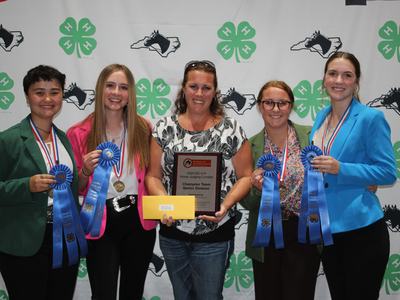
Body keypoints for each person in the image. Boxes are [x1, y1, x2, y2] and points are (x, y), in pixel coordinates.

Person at [145, 60, 253, 300]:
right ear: (183, 88)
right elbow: (153, 176)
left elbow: (246, 176)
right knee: (182, 297)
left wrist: (225, 206)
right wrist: (165, 204)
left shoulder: (231, 129)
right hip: (173, 232)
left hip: (215, 231)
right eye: (194, 86)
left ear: (215, 91)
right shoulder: (164, 128)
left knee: (208, 297)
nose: (199, 93)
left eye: (206, 87)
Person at [310, 51, 397, 299]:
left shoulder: (371, 118)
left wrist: (342, 168)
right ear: (324, 79)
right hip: (329, 230)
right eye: (333, 74)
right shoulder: (321, 117)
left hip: (362, 229)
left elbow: (388, 172)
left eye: (347, 75)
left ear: (356, 81)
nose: (339, 80)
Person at [67, 64, 157, 300]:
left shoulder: (143, 128)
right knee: (103, 293)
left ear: (130, 94)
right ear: (100, 89)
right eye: (110, 85)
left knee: (132, 292)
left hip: (139, 220)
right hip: (100, 220)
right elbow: (74, 188)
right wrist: (85, 171)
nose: (116, 92)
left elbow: (154, 175)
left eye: (123, 87)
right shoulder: (78, 133)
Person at [0, 65, 85, 300]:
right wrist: (26, 185)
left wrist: (85, 173)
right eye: (39, 92)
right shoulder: (8, 140)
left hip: (65, 238)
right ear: (27, 97)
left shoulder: (63, 139)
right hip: (24, 242)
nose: (48, 99)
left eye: (55, 92)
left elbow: (70, 188)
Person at [240, 80, 320, 300]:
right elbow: (245, 201)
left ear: (291, 106)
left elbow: (328, 178)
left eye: (282, 103)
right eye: (269, 103)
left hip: (305, 232)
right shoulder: (249, 145)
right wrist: (255, 189)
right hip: (266, 235)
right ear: (259, 106)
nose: (275, 109)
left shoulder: (313, 135)